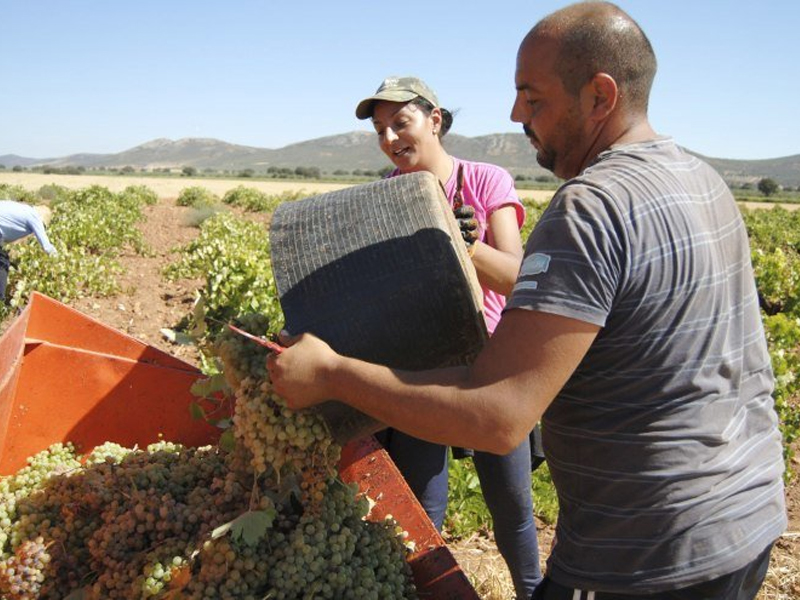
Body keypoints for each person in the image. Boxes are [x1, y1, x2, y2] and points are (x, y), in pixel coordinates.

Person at [267, 2, 787, 599]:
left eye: (532, 98)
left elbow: (498, 414)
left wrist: (331, 373)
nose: (515, 114)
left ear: (599, 96)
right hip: (743, 516)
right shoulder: (701, 177)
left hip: (646, 551)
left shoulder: (592, 207)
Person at [353, 75, 543, 598]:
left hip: (490, 367)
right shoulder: (386, 196)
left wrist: (471, 246)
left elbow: (519, 280)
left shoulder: (485, 182)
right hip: (424, 366)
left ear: (435, 121)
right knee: (420, 507)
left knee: (512, 509)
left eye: (401, 123)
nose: (391, 139)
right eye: (380, 130)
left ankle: (533, 591)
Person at [0, 200, 57, 301]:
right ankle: (1, 300)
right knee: (2, 263)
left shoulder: (23, 209)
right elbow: (47, 247)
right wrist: (57, 258)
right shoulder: (34, 217)